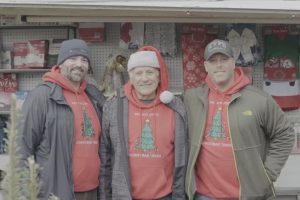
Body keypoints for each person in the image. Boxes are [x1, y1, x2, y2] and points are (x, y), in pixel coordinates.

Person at [184, 39, 295, 200]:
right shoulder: (192, 98)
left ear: (233, 63)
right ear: (206, 66)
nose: (219, 65)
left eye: (224, 60)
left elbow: (285, 134)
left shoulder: (259, 100)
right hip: (203, 195)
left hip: (247, 195)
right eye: (213, 61)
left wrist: (267, 174)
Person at [18, 39, 106, 200]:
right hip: (55, 192)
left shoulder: (93, 95)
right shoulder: (42, 96)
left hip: (93, 191)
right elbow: (23, 147)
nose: (79, 64)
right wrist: (25, 193)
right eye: (72, 58)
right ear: (61, 63)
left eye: (84, 60)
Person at [100, 46, 187, 200]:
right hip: (124, 196)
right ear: (131, 78)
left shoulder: (175, 106)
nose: (145, 78)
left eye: (150, 72)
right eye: (138, 73)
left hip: (165, 196)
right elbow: (105, 156)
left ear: (159, 76)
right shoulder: (114, 107)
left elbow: (181, 159)